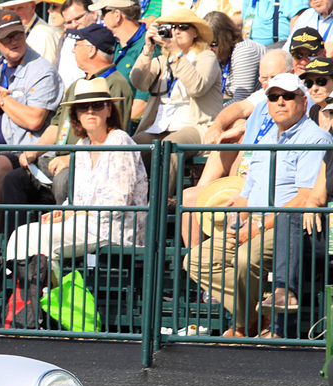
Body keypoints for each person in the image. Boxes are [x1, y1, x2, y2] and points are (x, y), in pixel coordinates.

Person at [185, 73, 330, 337]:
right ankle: (255, 314)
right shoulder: (265, 141)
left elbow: (304, 198)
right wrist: (234, 224)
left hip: (290, 225)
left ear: (303, 100)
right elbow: (245, 194)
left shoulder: (315, 138)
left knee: (245, 259)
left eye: (288, 96)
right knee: (196, 259)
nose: (280, 102)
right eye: (274, 97)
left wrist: (256, 228)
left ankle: (242, 325)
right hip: (253, 223)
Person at [5, 78, 148, 282]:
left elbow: (118, 204)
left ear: (109, 110)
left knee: (36, 238)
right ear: (76, 115)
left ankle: (44, 301)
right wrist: (60, 212)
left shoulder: (120, 141)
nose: (90, 112)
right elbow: (78, 199)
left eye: (98, 105)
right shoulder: (82, 145)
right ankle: (26, 298)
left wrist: (73, 213)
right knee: (22, 233)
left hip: (115, 228)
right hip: (87, 223)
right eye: (83, 107)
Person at [2, 23, 134, 215]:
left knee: (63, 179)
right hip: (58, 158)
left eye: (77, 44)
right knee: (14, 179)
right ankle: (15, 239)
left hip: (89, 163)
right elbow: (57, 125)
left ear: (91, 50)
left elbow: (110, 135)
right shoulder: (77, 86)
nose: (72, 49)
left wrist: (73, 158)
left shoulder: (116, 84)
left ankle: (65, 236)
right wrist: (33, 152)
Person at [182, 51, 292, 246]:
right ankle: (197, 263)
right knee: (189, 197)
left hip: (263, 187)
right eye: (263, 78)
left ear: (290, 74)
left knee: (200, 200)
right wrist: (218, 127)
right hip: (242, 180)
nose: (268, 83)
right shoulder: (260, 105)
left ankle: (208, 261)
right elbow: (240, 109)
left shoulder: (293, 106)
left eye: (274, 78)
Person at [0, 9, 65, 205]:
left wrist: (0, 98)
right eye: (6, 38)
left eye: (17, 34)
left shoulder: (43, 71)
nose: (14, 41)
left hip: (25, 154)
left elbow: (34, 120)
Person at [131, 9, 223, 193]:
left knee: (169, 147)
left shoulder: (206, 57)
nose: (176, 31)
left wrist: (177, 54)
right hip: (160, 126)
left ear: (195, 32)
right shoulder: (163, 60)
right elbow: (138, 82)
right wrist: (147, 50)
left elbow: (197, 87)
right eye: (171, 27)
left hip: (196, 126)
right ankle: (132, 203)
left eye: (183, 27)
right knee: (130, 147)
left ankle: (158, 206)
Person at [93, 0, 151, 124]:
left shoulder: (148, 45)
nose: (100, 17)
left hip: (128, 128)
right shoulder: (113, 44)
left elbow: (142, 103)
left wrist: (114, 129)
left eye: (103, 12)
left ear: (117, 15)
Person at [207, 11, 266, 102]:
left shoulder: (244, 51)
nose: (208, 49)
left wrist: (214, 112)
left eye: (213, 44)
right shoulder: (217, 52)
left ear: (227, 37)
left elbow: (241, 100)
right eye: (205, 43)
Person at [0, 0, 63, 66]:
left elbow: (45, 75)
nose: (16, 13)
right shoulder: (34, 32)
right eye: (11, 9)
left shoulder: (42, 35)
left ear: (32, 7)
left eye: (20, 8)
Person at [59, 0, 102, 88]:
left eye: (78, 18)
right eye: (68, 22)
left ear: (93, 13)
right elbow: (65, 78)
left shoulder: (108, 34)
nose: (74, 25)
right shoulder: (69, 40)